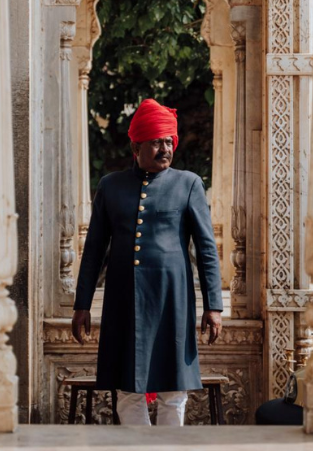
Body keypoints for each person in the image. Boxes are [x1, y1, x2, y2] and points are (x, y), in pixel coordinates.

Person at [71, 98, 224, 426]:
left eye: (169, 142)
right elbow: (94, 250)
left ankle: (167, 448)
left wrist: (214, 306)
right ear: (135, 146)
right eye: (156, 142)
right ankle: (137, 447)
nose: (165, 149)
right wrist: (82, 305)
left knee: (174, 390)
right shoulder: (110, 186)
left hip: (172, 300)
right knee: (127, 390)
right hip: (124, 300)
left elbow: (207, 249)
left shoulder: (188, 184)